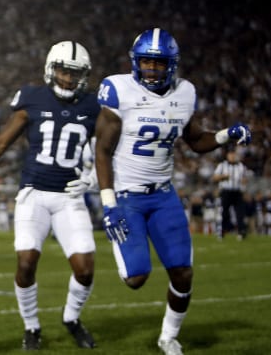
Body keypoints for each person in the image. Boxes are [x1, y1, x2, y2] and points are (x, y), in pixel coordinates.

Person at [93, 27, 252, 355]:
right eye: (146, 63)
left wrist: (225, 135)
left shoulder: (184, 93)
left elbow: (195, 141)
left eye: (159, 63)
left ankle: (169, 337)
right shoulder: (117, 90)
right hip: (127, 197)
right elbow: (102, 151)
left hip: (163, 195)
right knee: (135, 278)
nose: (152, 69)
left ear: (172, 64)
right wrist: (108, 204)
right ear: (136, 62)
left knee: (182, 271)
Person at [0, 40, 99, 350]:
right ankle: (32, 327)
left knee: (85, 269)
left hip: (70, 197)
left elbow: (105, 150)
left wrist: (92, 178)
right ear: (51, 70)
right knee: (26, 263)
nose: (67, 79)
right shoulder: (32, 98)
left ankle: (71, 318)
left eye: (74, 73)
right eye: (63, 71)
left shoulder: (93, 106)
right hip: (34, 193)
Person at [212, 150, 248, 240]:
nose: (232, 156)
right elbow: (215, 177)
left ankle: (241, 232)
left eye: (233, 154)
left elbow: (245, 179)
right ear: (227, 155)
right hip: (226, 191)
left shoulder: (241, 166)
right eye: (230, 154)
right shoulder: (222, 165)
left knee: (240, 213)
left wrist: (244, 183)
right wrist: (223, 177)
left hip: (237, 192)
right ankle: (222, 231)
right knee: (224, 213)